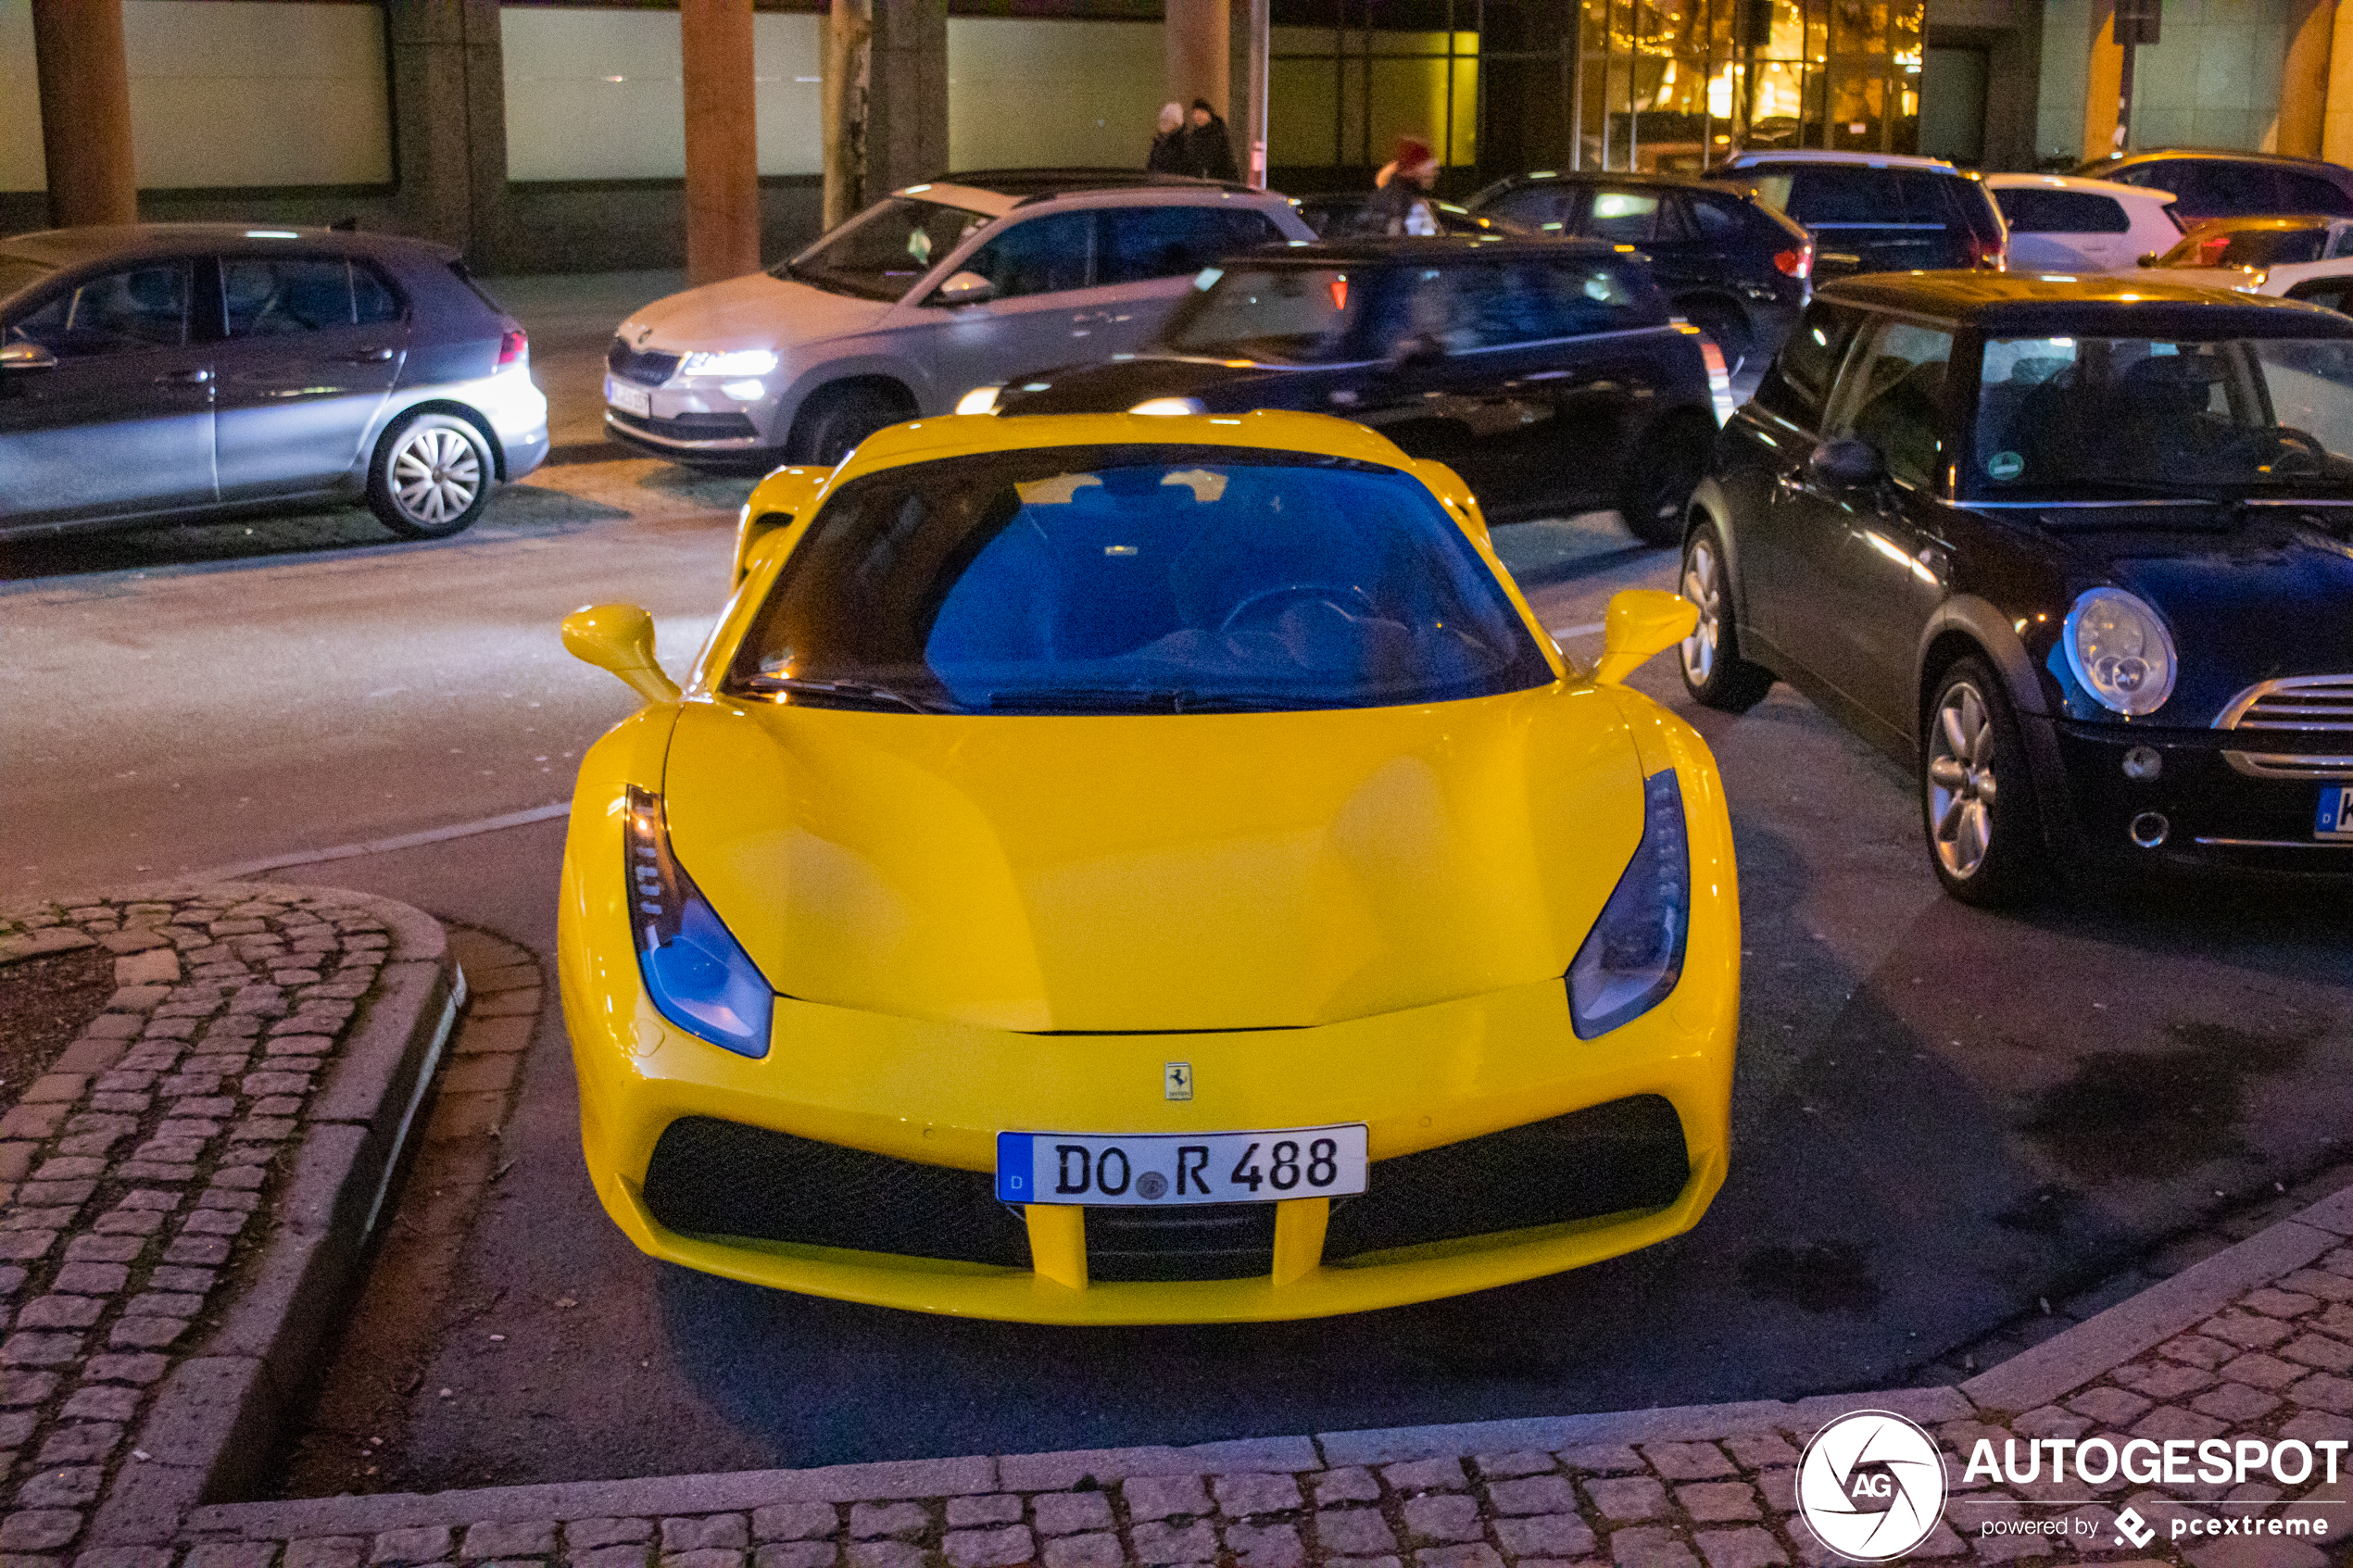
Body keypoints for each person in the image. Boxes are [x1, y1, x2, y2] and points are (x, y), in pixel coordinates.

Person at [1371, 136, 1441, 235]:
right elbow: (1394, 242)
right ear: (1411, 168)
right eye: (1425, 162)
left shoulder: (1410, 200)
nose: (1435, 173)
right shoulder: (1398, 204)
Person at [1178, 98, 1239, 182]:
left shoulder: (1219, 134)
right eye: (1195, 113)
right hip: (1200, 184)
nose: (1197, 116)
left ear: (1208, 114)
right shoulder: (1194, 136)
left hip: (1218, 183)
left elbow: (1225, 162)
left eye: (1201, 112)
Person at [1146, 103, 1186, 174]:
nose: (1162, 123)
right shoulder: (1159, 140)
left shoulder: (1180, 142)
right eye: (1162, 120)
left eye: (1167, 120)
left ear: (1175, 124)